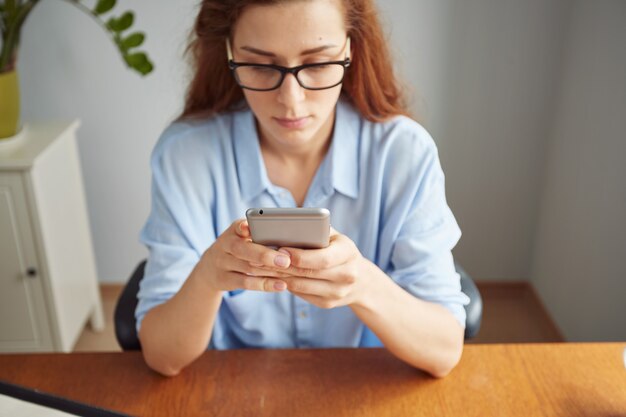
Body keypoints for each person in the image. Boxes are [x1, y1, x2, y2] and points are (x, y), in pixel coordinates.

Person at [136, 0, 470, 378]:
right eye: (261, 66)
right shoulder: (186, 155)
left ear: (350, 50)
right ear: (229, 53)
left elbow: (444, 351)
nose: (291, 101)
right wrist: (209, 277)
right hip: (234, 388)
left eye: (317, 64)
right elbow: (162, 355)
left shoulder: (403, 153)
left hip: (362, 386)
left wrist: (362, 285)